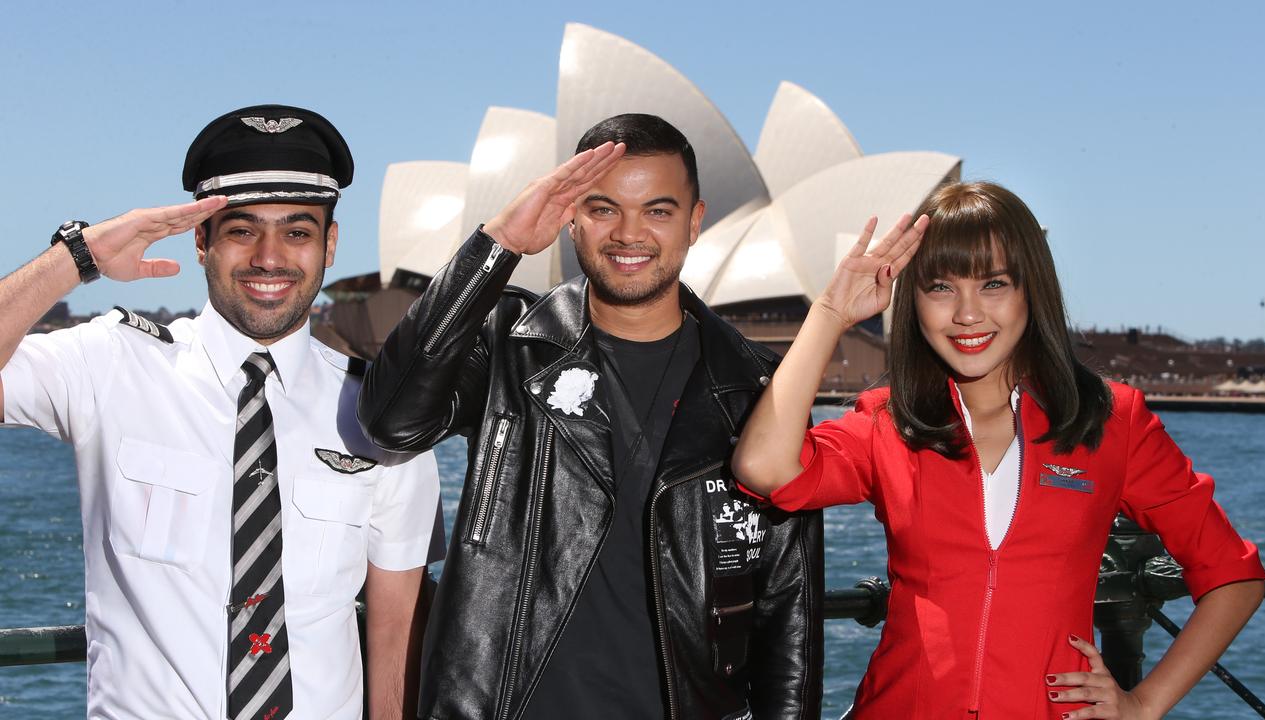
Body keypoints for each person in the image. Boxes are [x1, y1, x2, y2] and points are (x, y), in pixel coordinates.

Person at [731, 181, 1265, 719]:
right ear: (911, 299)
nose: (968, 314)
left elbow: (1234, 577)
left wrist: (1144, 704)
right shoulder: (888, 422)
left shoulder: (1110, 420)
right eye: (940, 287)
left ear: (1031, 289)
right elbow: (766, 468)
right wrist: (829, 312)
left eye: (994, 284)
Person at [359, 114, 823, 719]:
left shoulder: (758, 387)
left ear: (696, 220)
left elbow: (788, 609)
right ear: (571, 216)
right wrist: (496, 245)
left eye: (657, 211)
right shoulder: (508, 342)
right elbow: (393, 419)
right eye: (603, 209)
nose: (629, 235)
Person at [0, 105, 444, 720]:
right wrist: (79, 257)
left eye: (297, 231)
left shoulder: (381, 413)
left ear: (330, 244)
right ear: (202, 241)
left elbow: (395, 632)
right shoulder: (110, 364)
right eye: (241, 230)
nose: (269, 257)